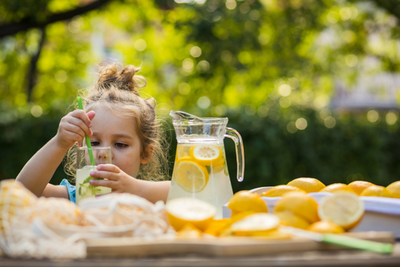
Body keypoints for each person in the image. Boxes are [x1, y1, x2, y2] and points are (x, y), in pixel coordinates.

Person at [16, 63, 171, 204]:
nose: (103, 154)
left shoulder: (149, 196)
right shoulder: (79, 195)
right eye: (95, 143)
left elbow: (189, 195)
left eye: (120, 144)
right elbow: (21, 194)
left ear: (145, 153)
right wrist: (59, 143)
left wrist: (136, 188)